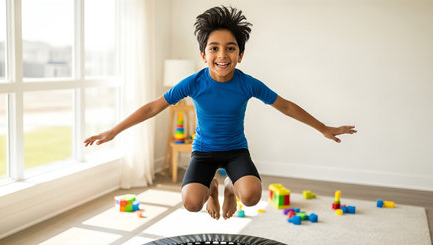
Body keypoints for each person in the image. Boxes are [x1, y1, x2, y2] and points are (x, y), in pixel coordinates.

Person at [84, 6, 357, 220]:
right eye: (214, 48)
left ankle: (229, 188)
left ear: (240, 54)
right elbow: (153, 107)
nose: (222, 54)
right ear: (203, 54)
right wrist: (113, 131)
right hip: (203, 152)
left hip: (237, 151)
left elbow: (284, 106)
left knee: (250, 196)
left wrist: (323, 128)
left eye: (230, 48)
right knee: (192, 203)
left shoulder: (247, 83)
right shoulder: (194, 82)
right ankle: (212, 187)